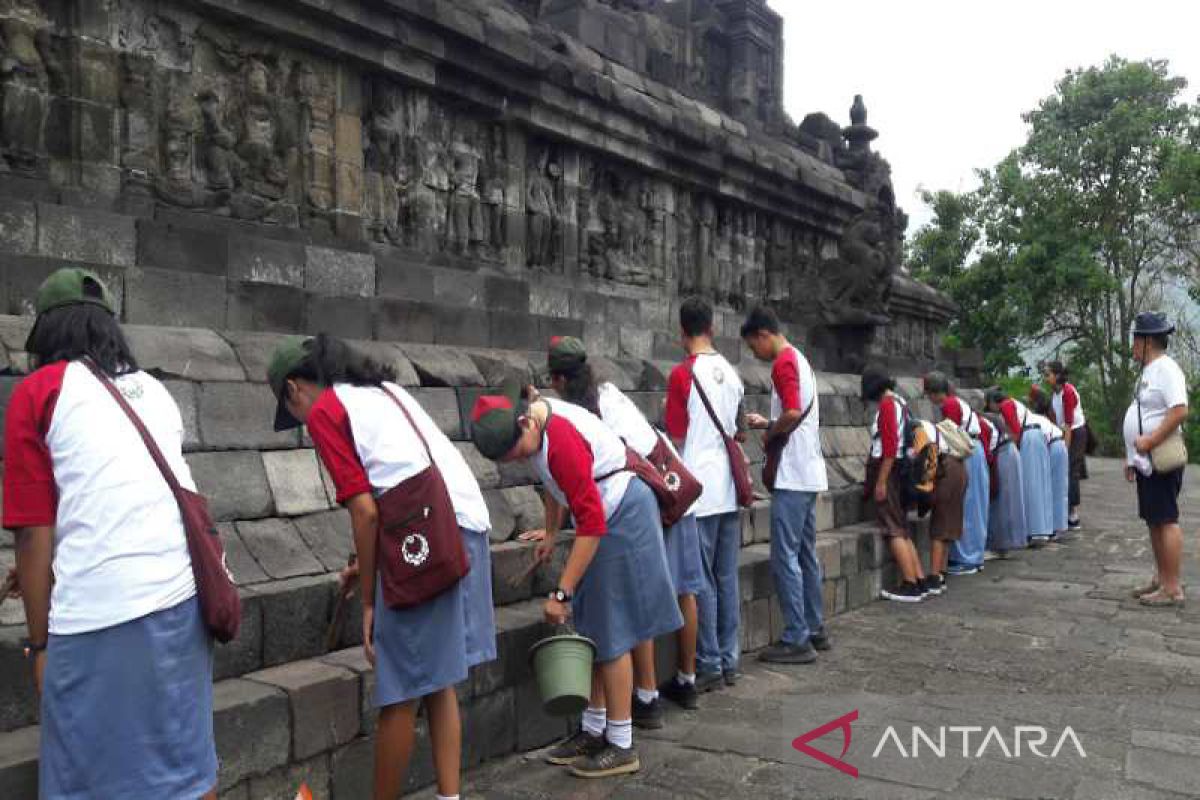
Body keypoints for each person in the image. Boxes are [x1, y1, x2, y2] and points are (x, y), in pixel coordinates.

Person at [3, 268, 218, 799]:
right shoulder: (154, 391)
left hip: (105, 615)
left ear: (46, 335)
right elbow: (123, 497)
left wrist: (38, 645)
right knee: (186, 766)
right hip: (186, 600)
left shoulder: (39, 392)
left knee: (85, 778)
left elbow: (33, 533)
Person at [267, 334, 496, 800]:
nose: (299, 421)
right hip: (460, 528)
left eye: (291, 412)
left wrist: (370, 599)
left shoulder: (327, 411)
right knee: (436, 680)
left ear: (295, 389)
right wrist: (367, 566)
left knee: (400, 687)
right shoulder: (382, 392)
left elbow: (367, 512)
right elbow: (398, 483)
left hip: (427, 538)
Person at [471, 386, 683, 778]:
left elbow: (591, 524)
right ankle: (592, 729)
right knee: (591, 625)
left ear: (524, 422)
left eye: (516, 452)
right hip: (603, 513)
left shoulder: (561, 438)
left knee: (611, 630)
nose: (519, 459)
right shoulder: (536, 431)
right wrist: (550, 534)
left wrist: (561, 592)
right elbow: (555, 483)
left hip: (622, 512)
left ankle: (621, 744)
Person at [543, 335, 705, 719]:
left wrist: (551, 531)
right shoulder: (609, 393)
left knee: (637, 597)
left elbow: (571, 477)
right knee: (678, 590)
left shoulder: (581, 414)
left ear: (558, 381)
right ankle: (686, 679)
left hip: (650, 498)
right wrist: (551, 531)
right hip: (672, 485)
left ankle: (646, 697)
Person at [665, 297, 746, 689]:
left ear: (682, 332)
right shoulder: (732, 374)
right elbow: (739, 428)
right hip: (729, 485)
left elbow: (676, 434)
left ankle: (709, 662)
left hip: (697, 487)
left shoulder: (683, 375)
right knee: (726, 576)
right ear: (711, 327)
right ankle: (729, 658)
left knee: (702, 581)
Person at [1123, 312, 1188, 607]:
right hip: (1146, 458)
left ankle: (1172, 587)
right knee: (1153, 520)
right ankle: (1162, 577)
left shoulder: (1166, 369)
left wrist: (1150, 440)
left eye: (1136, 338)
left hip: (1160, 455)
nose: (1133, 344)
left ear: (1148, 341)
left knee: (1165, 519)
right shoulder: (1149, 370)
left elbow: (1178, 410)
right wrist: (1132, 456)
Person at [862, 369, 928, 602]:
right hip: (901, 470)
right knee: (901, 526)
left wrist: (881, 481)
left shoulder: (888, 406)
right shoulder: (901, 402)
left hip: (889, 471)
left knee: (893, 528)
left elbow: (889, 447)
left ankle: (910, 584)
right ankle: (918, 578)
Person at [923, 372, 988, 576]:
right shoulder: (956, 402)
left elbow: (951, 436)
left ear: (934, 393)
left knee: (967, 506)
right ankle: (971, 556)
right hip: (973, 448)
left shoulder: (950, 405)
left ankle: (967, 558)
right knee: (971, 505)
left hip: (966, 451)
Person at [987, 388, 1053, 544]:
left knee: (1032, 483)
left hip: (1029, 436)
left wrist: (1014, 451)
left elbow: (1015, 431)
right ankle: (1042, 529)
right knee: (1038, 482)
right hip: (1035, 435)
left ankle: (1036, 531)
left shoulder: (1006, 405)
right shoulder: (1013, 404)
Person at [1044, 361, 1088, 530]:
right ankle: (1063, 510)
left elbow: (1069, 422)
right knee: (1063, 470)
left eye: (1048, 375)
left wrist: (1065, 448)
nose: (1046, 378)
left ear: (1057, 376)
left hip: (1075, 433)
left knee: (1071, 471)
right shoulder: (1055, 393)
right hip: (1064, 432)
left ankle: (1072, 514)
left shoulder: (1068, 392)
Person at [981, 412, 1028, 557]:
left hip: (1002, 454)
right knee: (1008, 501)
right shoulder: (990, 419)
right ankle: (1004, 543)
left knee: (1001, 502)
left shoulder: (983, 421)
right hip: (1008, 452)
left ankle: (999, 545)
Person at [1027, 410, 1070, 540]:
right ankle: (1056, 526)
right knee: (1058, 488)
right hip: (1058, 443)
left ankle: (1051, 527)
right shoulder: (1037, 418)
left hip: (1054, 445)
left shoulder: (1031, 421)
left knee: (1050, 488)